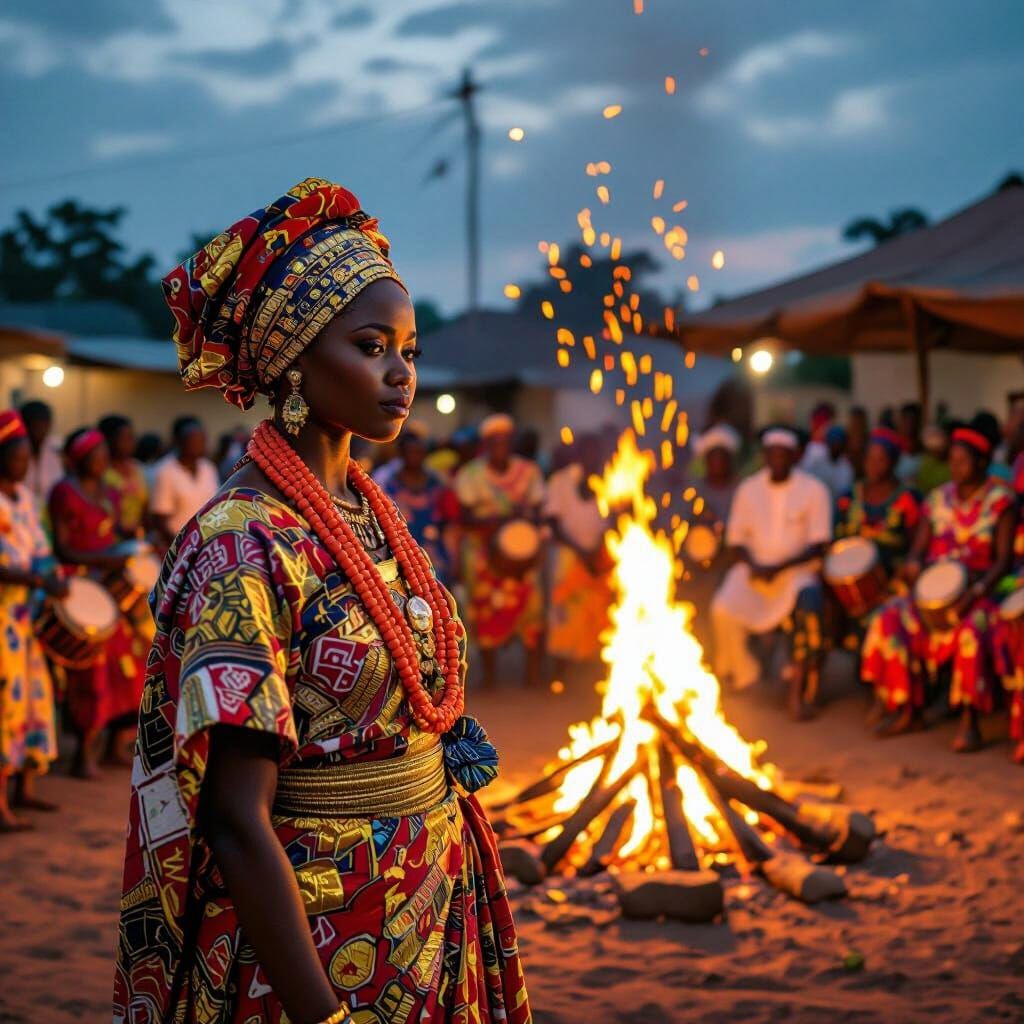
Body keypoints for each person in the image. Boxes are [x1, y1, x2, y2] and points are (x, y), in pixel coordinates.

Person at [114, 179, 529, 1024]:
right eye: (372, 347)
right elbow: (235, 818)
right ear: (294, 358)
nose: (401, 374)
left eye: (409, 350)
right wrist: (322, 1015)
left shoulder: (368, 512)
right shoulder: (244, 543)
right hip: (321, 939)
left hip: (423, 906)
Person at [861, 417, 1017, 751]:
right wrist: (914, 566)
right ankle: (908, 709)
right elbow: (918, 549)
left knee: (972, 631)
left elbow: (1003, 560)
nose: (956, 468)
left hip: (980, 591)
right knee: (891, 618)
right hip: (933, 595)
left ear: (982, 462)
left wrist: (973, 594)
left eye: (963, 462)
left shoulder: (1001, 501)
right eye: (952, 461)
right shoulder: (936, 500)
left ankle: (969, 721)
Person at [711, 426, 832, 720]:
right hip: (755, 571)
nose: (777, 460)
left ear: (794, 457)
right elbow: (736, 540)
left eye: (783, 455)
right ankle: (745, 674)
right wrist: (755, 566)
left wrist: (779, 567)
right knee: (722, 609)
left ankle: (798, 691)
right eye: (772, 454)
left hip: (795, 573)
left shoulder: (814, 490)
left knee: (810, 604)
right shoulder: (748, 489)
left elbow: (819, 544)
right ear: (764, 457)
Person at [49, 429, 147, 777]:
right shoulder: (64, 492)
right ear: (81, 458)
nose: (104, 461)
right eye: (98, 455)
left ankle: (111, 746)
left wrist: (129, 540)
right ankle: (83, 754)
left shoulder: (108, 493)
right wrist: (105, 559)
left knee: (129, 665)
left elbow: (114, 531)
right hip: (80, 585)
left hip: (107, 587)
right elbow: (62, 548)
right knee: (92, 673)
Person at [0, 411, 65, 831]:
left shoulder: (26, 499)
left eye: (27, 459)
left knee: (33, 700)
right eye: (17, 458)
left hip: (25, 620)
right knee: (4, 707)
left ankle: (24, 788)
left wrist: (54, 576)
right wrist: (33, 578)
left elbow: (41, 549)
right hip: (3, 618)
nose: (24, 465)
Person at [454, 413, 546, 689]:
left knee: (530, 608)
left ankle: (533, 676)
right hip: (484, 553)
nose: (500, 446)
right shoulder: (471, 474)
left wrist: (524, 521)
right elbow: (464, 517)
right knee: (486, 610)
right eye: (495, 441)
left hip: (522, 556)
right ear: (486, 443)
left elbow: (538, 510)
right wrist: (498, 522)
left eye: (505, 441)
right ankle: (490, 676)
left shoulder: (529, 471)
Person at [833, 428, 921, 656]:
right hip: (850, 583)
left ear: (894, 462)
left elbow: (917, 545)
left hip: (893, 581)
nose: (873, 465)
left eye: (881, 460)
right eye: (869, 459)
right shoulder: (848, 496)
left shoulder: (909, 499)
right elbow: (837, 542)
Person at [544, 432, 612, 670]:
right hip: (567, 555)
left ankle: (591, 668)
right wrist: (580, 551)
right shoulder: (560, 481)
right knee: (564, 609)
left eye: (597, 453)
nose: (593, 458)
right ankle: (560, 670)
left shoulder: (608, 481)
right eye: (587, 453)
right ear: (579, 455)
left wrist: (596, 552)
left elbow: (610, 523)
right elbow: (552, 522)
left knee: (595, 609)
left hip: (597, 556)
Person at [376, 422, 459, 585]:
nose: (415, 456)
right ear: (401, 453)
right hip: (398, 557)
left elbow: (450, 524)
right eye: (411, 451)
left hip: (435, 559)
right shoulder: (385, 481)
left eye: (419, 451)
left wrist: (454, 558)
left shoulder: (438, 482)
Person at [149, 415, 219, 546]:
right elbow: (159, 518)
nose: (199, 445)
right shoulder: (165, 470)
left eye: (202, 440)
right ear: (180, 442)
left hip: (206, 543)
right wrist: (180, 547)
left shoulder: (208, 468)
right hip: (176, 544)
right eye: (194, 441)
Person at [99, 414, 148, 537]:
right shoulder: (102, 473)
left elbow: (145, 506)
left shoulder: (137, 469)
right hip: (111, 538)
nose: (131, 443)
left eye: (132, 437)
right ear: (109, 441)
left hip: (137, 537)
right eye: (124, 439)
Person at [19, 400, 63, 507]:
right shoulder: (15, 454)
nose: (41, 430)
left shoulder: (57, 450)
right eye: (36, 425)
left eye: (45, 424)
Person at [802, 423, 855, 501]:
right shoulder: (816, 459)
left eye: (838, 443)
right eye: (833, 442)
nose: (835, 446)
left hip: (834, 506)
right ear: (827, 442)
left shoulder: (847, 469)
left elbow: (844, 496)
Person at [916, 423, 952, 494]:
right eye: (934, 450)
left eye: (939, 449)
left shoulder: (952, 460)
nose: (937, 454)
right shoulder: (926, 463)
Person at [846, 405, 869, 480]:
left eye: (859, 422)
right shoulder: (844, 440)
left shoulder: (869, 442)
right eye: (854, 421)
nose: (856, 425)